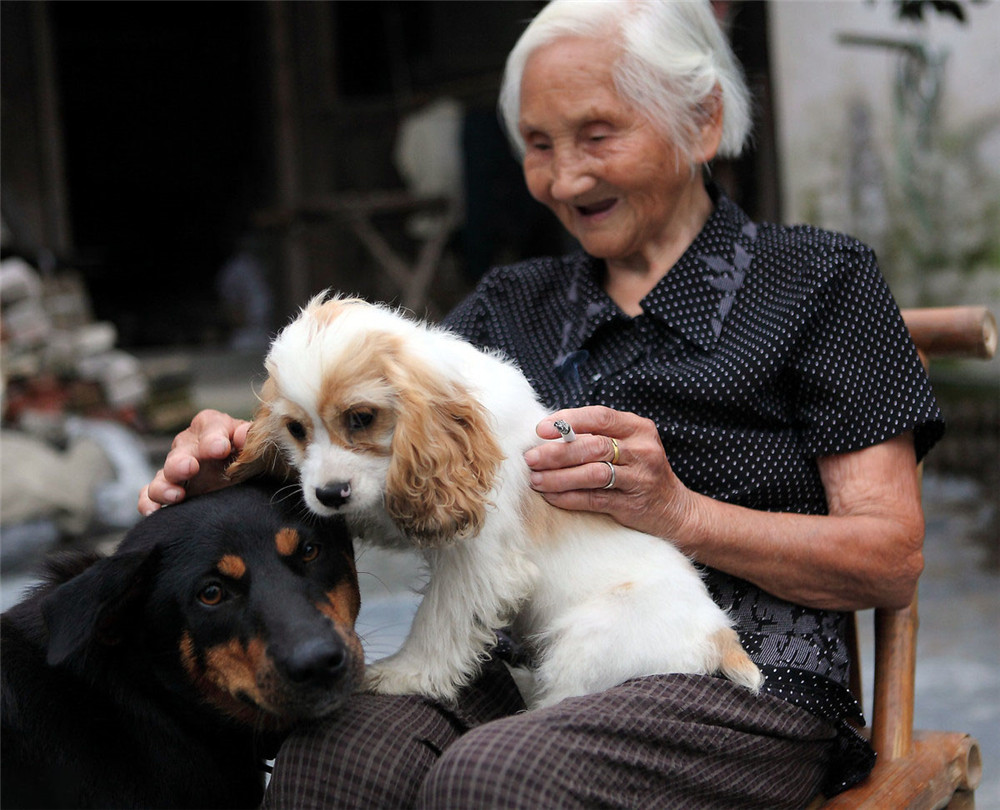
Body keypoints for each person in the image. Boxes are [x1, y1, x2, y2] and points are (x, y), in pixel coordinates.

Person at [139, 1, 943, 807]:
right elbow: (374, 477)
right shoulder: (507, 305)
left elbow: (889, 557)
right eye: (537, 144)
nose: (564, 178)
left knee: (496, 780)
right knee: (335, 758)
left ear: (702, 122)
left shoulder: (818, 281)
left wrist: (682, 514)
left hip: (748, 682)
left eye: (597, 136)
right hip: (513, 656)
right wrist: (240, 469)